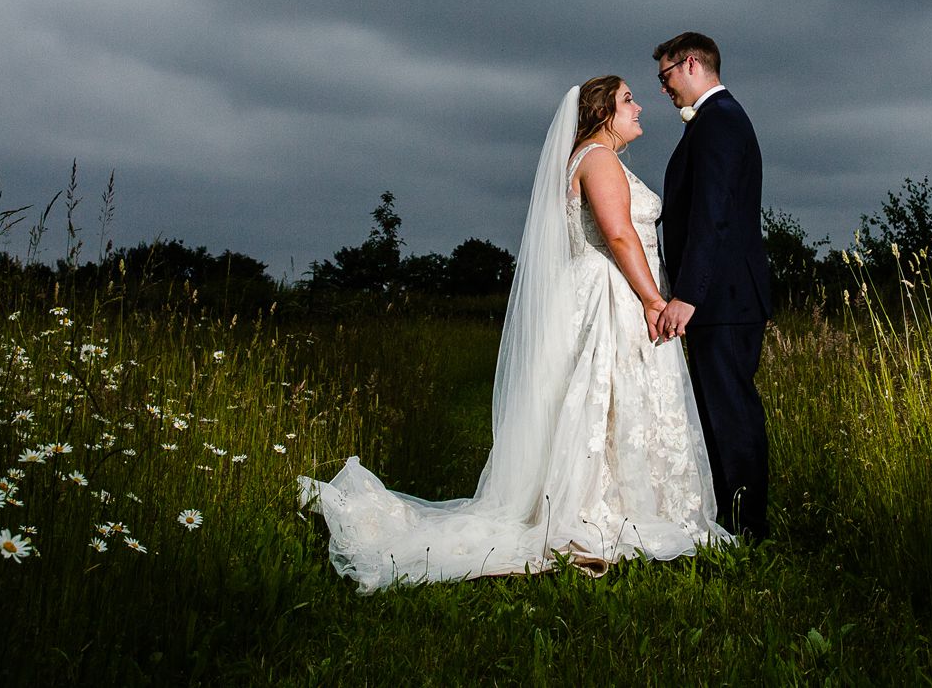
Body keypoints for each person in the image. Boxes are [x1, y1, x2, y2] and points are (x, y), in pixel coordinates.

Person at [300, 78, 729, 591]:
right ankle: (597, 512)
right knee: (603, 400)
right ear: (601, 113)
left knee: (599, 404)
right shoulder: (598, 160)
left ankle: (609, 501)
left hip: (599, 292)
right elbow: (619, 235)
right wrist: (654, 301)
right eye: (628, 100)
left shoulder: (585, 159)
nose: (640, 107)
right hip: (611, 297)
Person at [653, 32, 771, 540]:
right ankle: (731, 521)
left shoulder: (719, 121)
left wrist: (688, 294)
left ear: (692, 63)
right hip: (723, 297)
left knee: (731, 415)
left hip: (722, 298)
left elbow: (713, 215)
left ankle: (748, 529)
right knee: (718, 412)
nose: (663, 89)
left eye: (665, 77)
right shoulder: (714, 121)